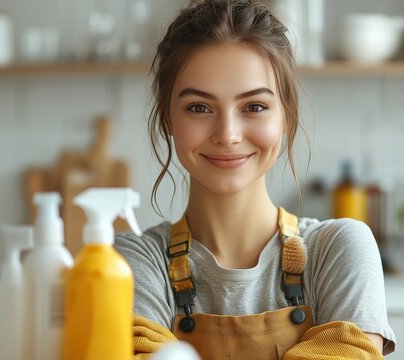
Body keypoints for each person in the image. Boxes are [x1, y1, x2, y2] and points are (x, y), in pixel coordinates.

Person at [115, 0, 396, 359]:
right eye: (199, 107)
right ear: (168, 118)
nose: (228, 134)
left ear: (286, 117)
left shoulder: (339, 248)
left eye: (254, 106)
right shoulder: (133, 260)